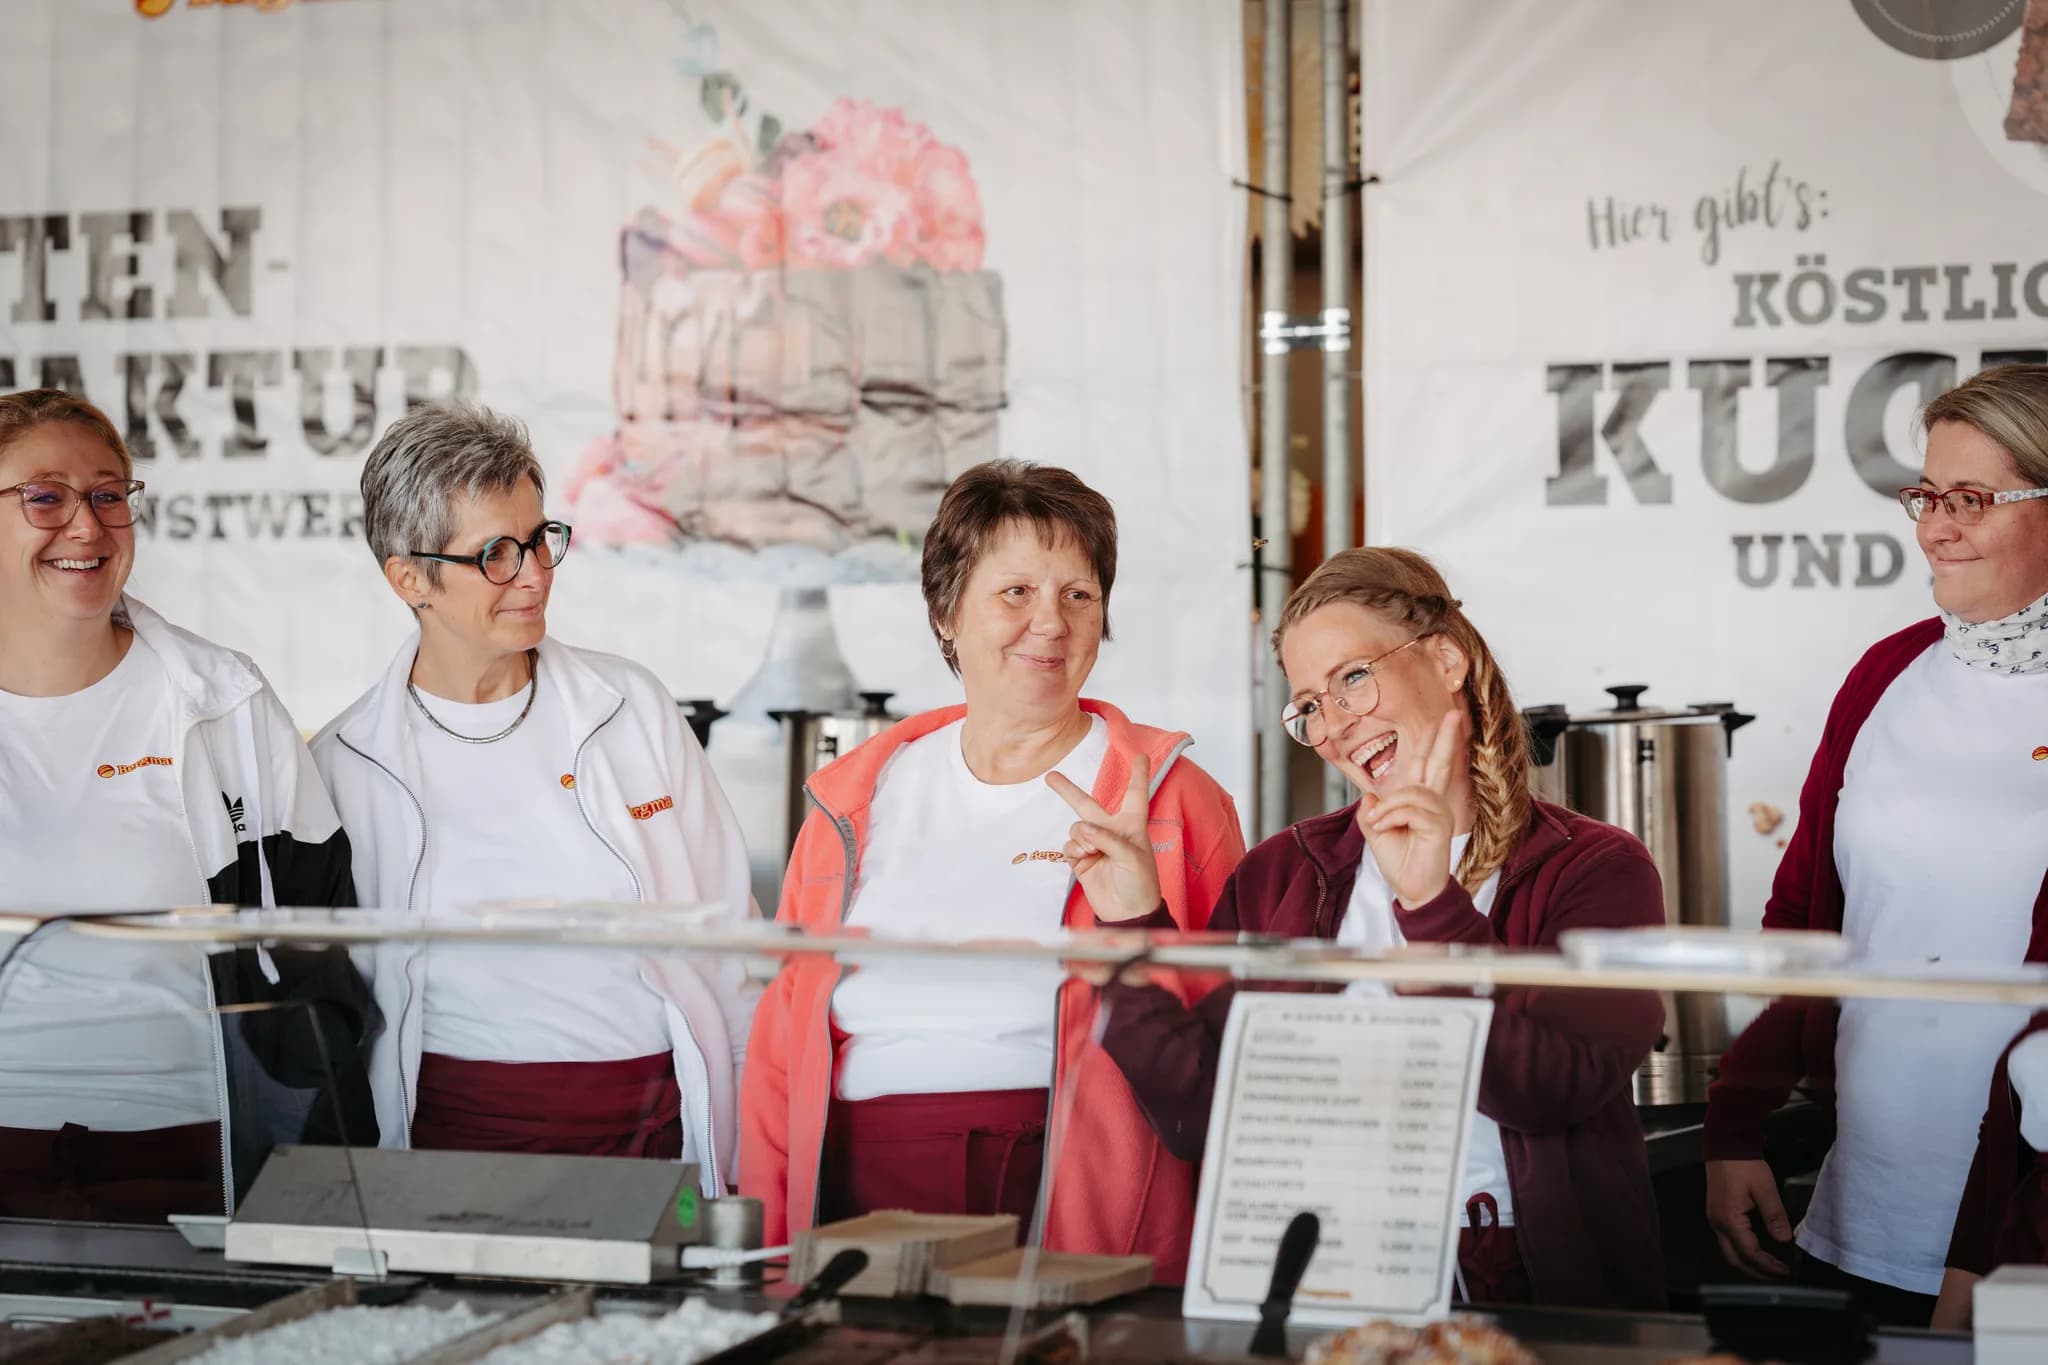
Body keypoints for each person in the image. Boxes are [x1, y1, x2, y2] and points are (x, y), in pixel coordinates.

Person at [1096, 547, 1668, 1309]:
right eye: (1309, 704)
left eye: (1352, 678)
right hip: (1318, 1282)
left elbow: (1548, 1090)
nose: (1333, 724)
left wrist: (1431, 904)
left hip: (1527, 1288)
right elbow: (1200, 1114)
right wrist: (1131, 921)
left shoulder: (1597, 869)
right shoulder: (1279, 875)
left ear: (1446, 658)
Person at [737, 459, 1245, 1283]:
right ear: (946, 612)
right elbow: (779, 1053)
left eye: (1078, 595)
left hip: (1072, 1203)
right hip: (857, 1194)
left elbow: (1232, 1050)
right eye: (1015, 592)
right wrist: (764, 1249)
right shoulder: (852, 802)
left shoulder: (1174, 800)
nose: (1050, 621)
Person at [312, 401, 755, 1194]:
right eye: (495, 553)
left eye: (541, 538)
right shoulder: (345, 764)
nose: (535, 573)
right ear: (409, 578)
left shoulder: (631, 707)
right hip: (455, 1143)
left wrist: (757, 1172)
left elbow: (735, 950)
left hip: (652, 1131)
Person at [1703, 364, 2048, 1327]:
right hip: (1859, 1217)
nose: (1935, 526)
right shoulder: (1887, 673)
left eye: (1973, 499)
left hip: (2018, 1251)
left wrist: (1990, 1259)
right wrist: (1736, 1124)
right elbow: (1805, 921)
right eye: (1927, 494)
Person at [0, 387, 375, 1221]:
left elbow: (321, 956)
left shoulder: (225, 703)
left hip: (190, 1155)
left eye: (107, 494)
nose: (87, 526)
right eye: (44, 497)